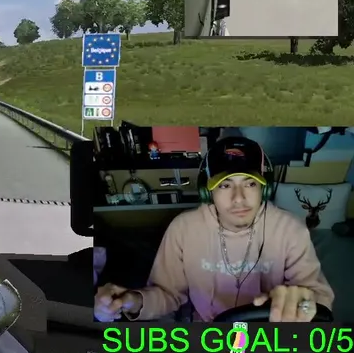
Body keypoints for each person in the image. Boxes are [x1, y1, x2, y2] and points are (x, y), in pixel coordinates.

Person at [95, 136, 334, 323]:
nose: (239, 198)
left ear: (265, 188)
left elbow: (318, 298)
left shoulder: (291, 229)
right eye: (225, 185)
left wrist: (304, 304)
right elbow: (167, 294)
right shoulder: (183, 229)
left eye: (250, 183)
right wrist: (132, 301)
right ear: (207, 191)